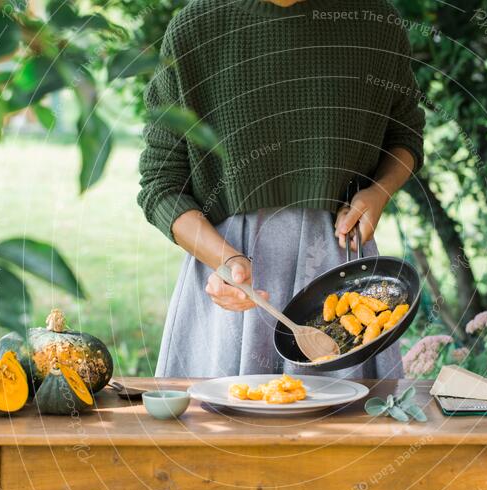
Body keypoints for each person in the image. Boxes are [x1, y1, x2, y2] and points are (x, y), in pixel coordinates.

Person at [138, 0, 424, 379]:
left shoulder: (374, 21)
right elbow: (161, 182)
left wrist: (379, 192)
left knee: (345, 435)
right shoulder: (196, 27)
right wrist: (225, 260)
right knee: (223, 431)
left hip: (341, 278)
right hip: (229, 283)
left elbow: (405, 135)